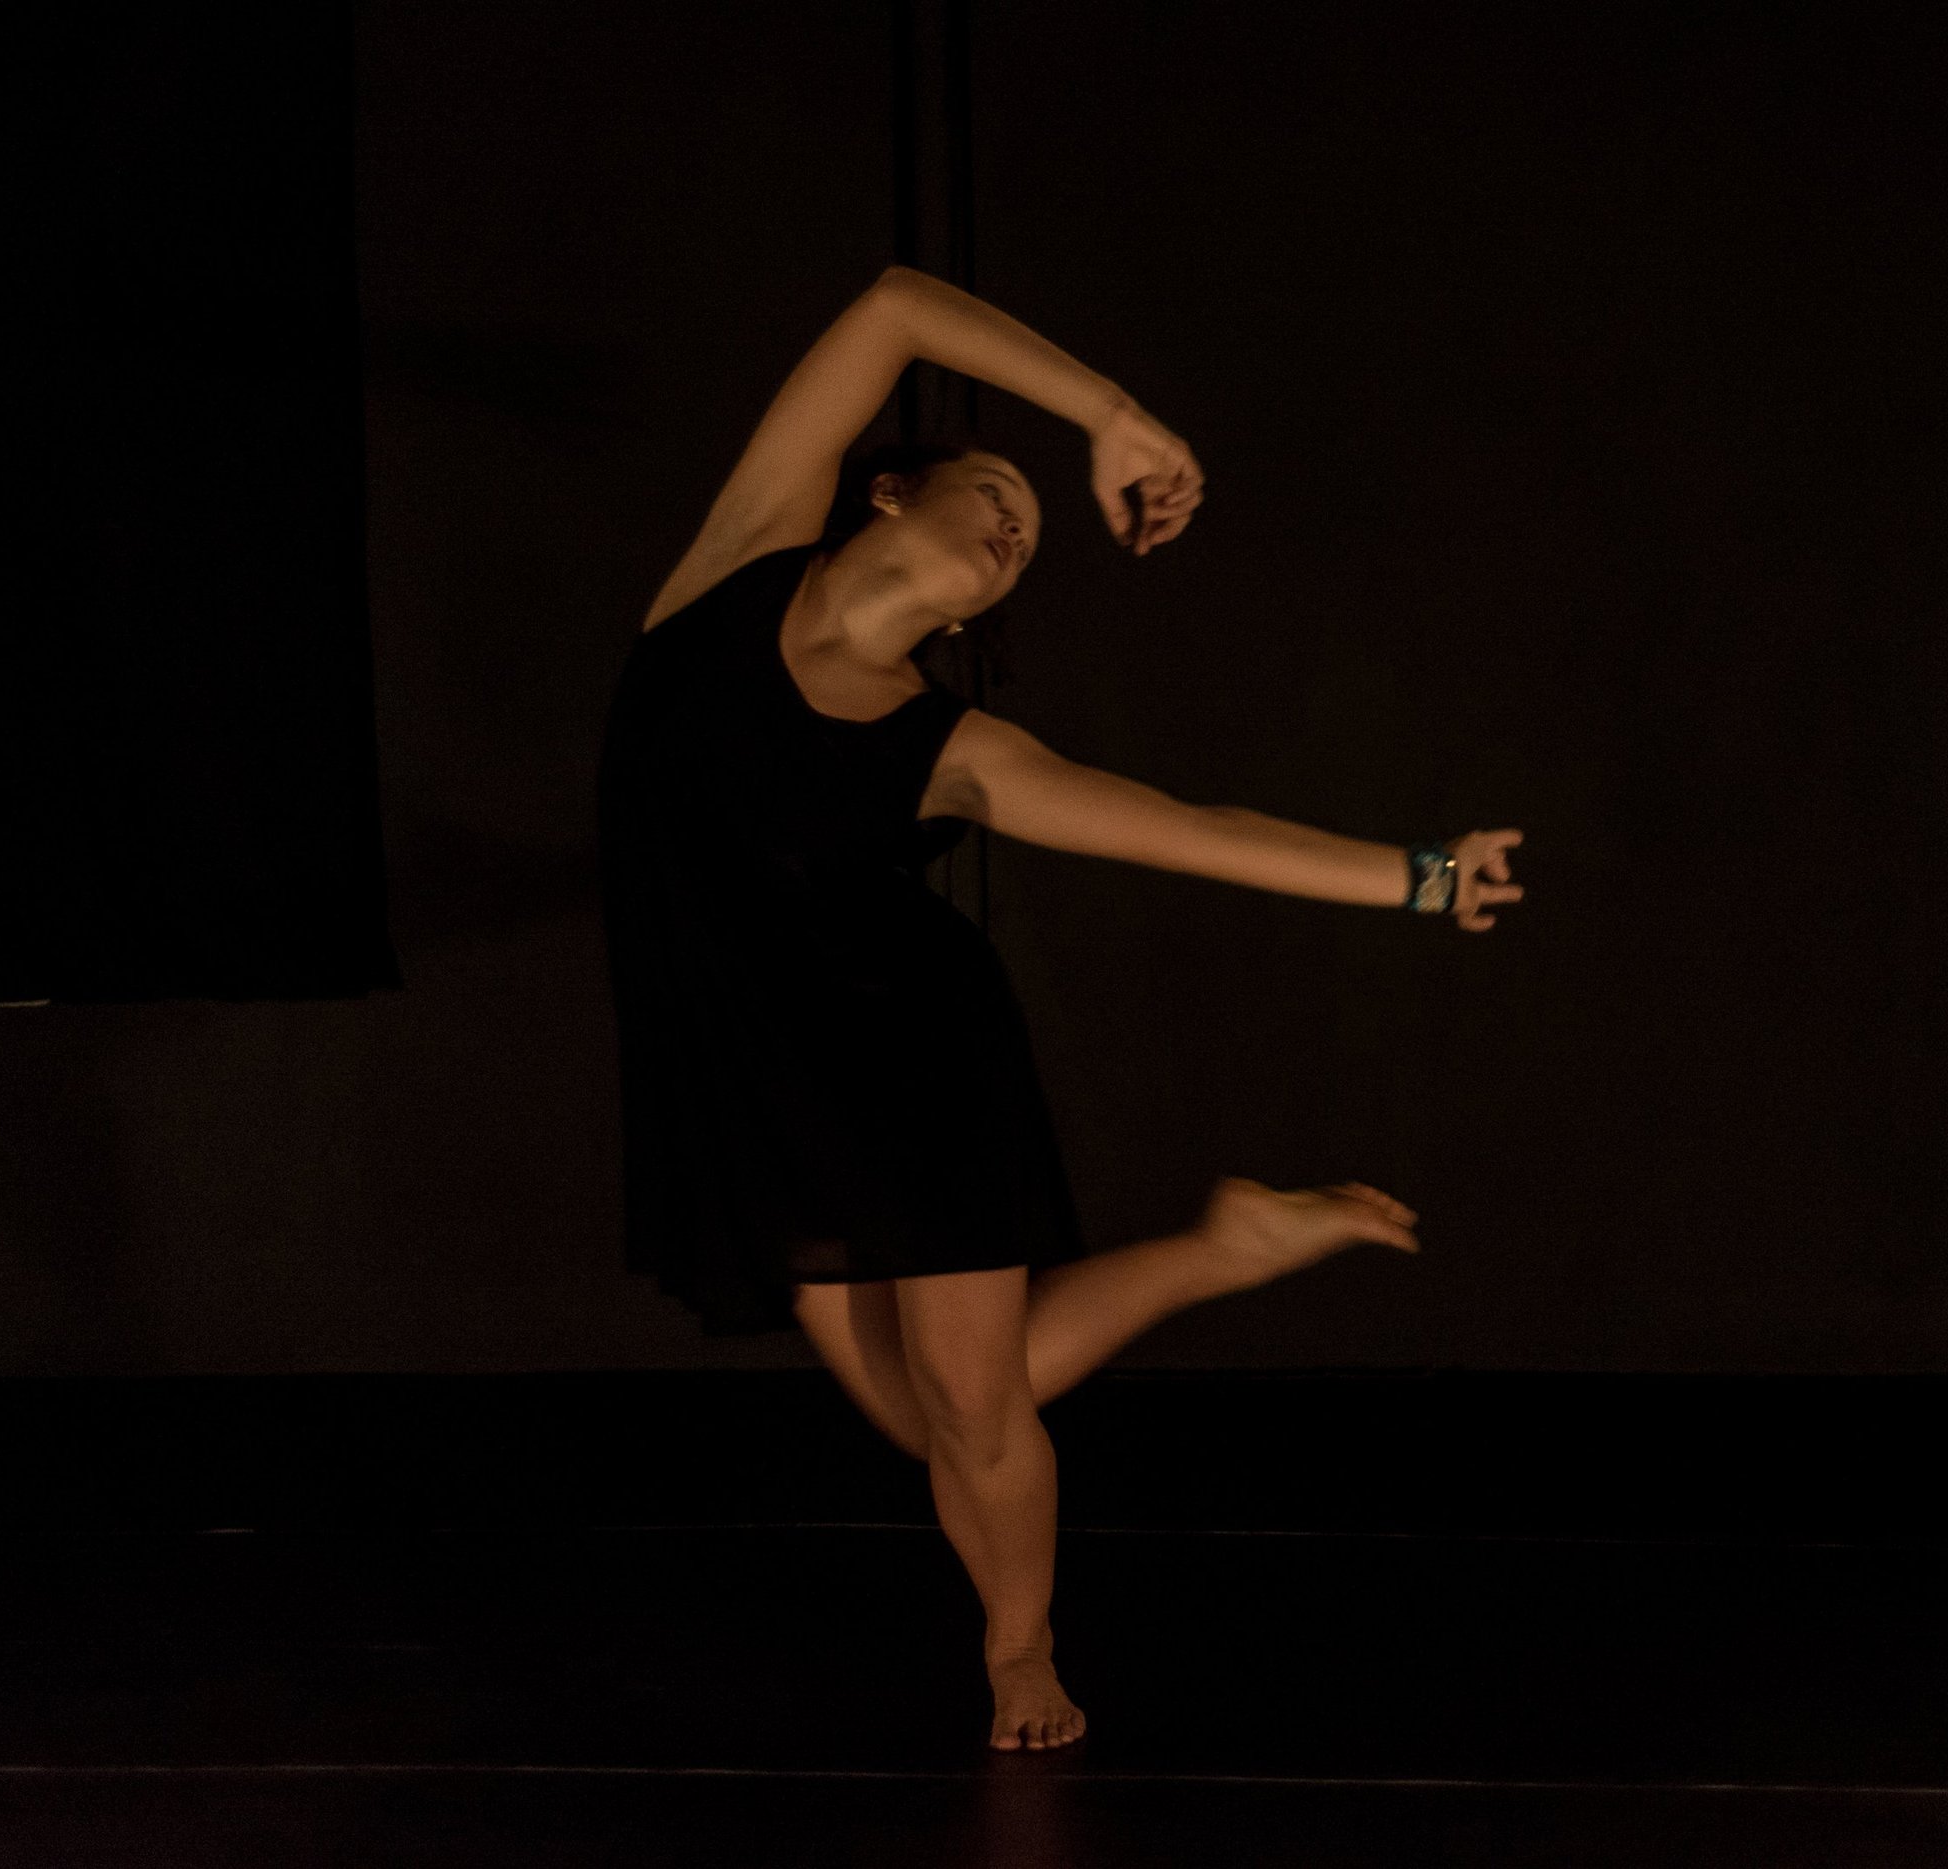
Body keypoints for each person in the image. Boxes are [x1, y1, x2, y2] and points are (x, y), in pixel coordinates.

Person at [596, 264, 1525, 1753]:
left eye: (1029, 540)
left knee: (971, 1416)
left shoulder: (956, 747)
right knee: (932, 1417)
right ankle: (1221, 1245)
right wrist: (1108, 418)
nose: (1017, 530)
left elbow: (1192, 824)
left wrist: (1415, 877)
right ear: (889, 491)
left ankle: (1019, 1652)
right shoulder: (739, 557)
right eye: (995, 489)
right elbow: (896, 305)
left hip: (914, 1064)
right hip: (760, 1076)